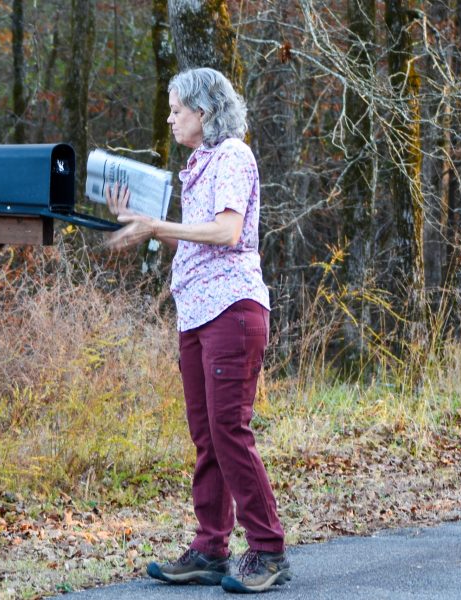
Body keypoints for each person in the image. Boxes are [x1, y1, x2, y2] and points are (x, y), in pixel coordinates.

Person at [105, 67, 291, 594]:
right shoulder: (199, 164)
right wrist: (140, 220)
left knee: (229, 431)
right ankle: (211, 549)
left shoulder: (232, 155)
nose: (170, 119)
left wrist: (156, 225)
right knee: (207, 436)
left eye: (177, 110)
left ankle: (269, 550)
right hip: (196, 314)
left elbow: (228, 232)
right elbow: (196, 239)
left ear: (203, 112)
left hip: (232, 309)